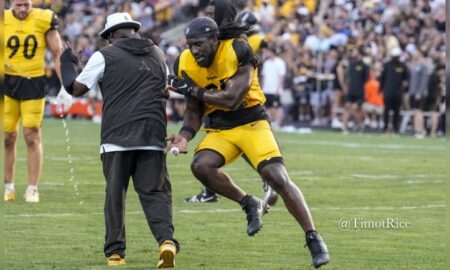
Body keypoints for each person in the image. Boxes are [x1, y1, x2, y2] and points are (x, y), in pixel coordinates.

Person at [167, 17, 329, 268]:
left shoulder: (237, 49)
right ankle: (249, 203)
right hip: (220, 128)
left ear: (215, 39)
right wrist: (185, 136)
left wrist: (191, 89)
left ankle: (313, 237)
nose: (194, 50)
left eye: (199, 44)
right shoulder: (184, 62)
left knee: (277, 177)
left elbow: (232, 98)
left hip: (251, 122)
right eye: (190, 45)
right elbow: (193, 110)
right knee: (201, 166)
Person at [59, 12, 179, 268]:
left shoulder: (105, 55)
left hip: (117, 136)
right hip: (152, 134)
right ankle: (166, 242)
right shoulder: (158, 54)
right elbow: (165, 93)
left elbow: (75, 89)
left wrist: (67, 63)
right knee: (156, 193)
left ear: (111, 35)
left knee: (115, 195)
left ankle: (116, 253)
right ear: (133, 31)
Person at [185, 0, 278, 206]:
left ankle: (268, 176)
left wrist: (195, 89)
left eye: (211, 14)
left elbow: (244, 73)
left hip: (241, 102)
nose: (206, 17)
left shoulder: (236, 44)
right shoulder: (211, 45)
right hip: (218, 101)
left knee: (245, 142)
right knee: (209, 150)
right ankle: (212, 190)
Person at [4, 0, 65, 203]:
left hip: (33, 82)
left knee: (31, 136)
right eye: (19, 5)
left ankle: (32, 188)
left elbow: (58, 53)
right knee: (8, 136)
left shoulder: (43, 18)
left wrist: (66, 86)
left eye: (26, 4)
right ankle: (9, 186)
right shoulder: (4, 19)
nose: (22, 9)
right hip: (7, 82)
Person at [379, 47, 408, 134]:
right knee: (386, 110)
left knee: (396, 111)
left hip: (398, 92)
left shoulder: (403, 66)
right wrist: (381, 89)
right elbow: (382, 78)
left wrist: (404, 89)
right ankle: (385, 128)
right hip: (388, 91)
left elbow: (406, 79)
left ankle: (395, 128)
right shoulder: (386, 65)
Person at [341, 48, 369, 134]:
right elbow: (345, 76)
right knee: (347, 107)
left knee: (356, 109)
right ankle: (344, 128)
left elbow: (366, 79)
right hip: (350, 90)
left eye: (355, 51)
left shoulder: (364, 66)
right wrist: (345, 87)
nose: (353, 53)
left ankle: (360, 124)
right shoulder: (350, 64)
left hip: (359, 91)